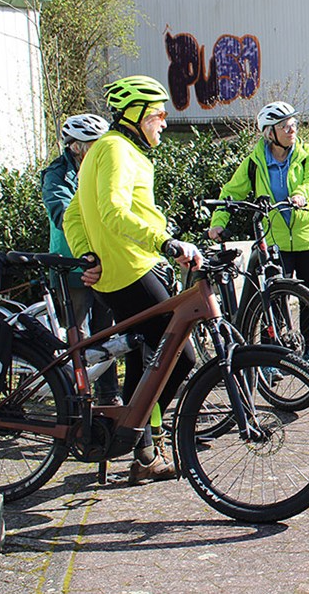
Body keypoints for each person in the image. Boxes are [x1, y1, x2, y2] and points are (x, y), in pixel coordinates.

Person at [63, 75, 204, 485]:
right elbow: (112, 211)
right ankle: (138, 434)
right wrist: (165, 241)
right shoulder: (117, 149)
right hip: (129, 269)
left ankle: (143, 450)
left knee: (152, 358)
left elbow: (75, 216)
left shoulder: (110, 149)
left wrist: (86, 253)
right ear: (136, 114)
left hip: (127, 265)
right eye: (159, 114)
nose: (164, 121)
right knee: (181, 355)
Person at [207, 101, 309, 368]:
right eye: (284, 126)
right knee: (272, 297)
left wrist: (301, 194)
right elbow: (231, 193)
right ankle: (271, 355)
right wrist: (218, 222)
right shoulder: (254, 163)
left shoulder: (307, 153)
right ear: (269, 133)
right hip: (275, 240)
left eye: (293, 124)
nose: (291, 129)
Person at [40, 113, 120, 406]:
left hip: (102, 262)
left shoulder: (100, 170)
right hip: (72, 265)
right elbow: (62, 213)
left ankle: (108, 396)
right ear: (75, 146)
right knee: (78, 335)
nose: (98, 150)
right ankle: (73, 399)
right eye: (92, 145)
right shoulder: (56, 174)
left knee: (108, 332)